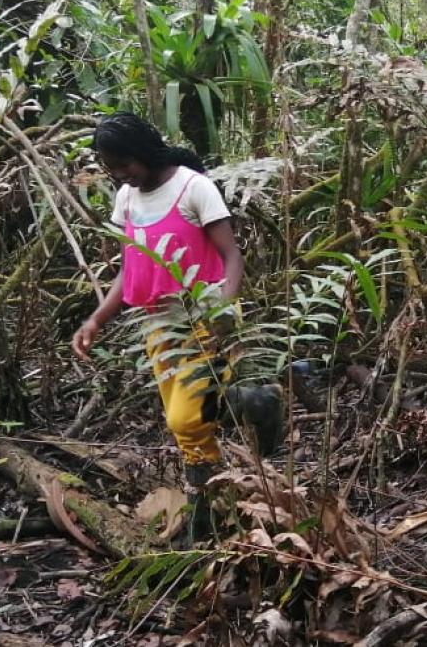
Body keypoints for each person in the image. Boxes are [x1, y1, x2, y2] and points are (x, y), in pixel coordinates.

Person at [70, 113, 283, 532]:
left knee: (184, 419)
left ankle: (253, 415)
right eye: (111, 168)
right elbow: (129, 269)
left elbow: (232, 256)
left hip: (203, 317)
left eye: (124, 164)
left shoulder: (193, 187)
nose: (120, 174)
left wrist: (224, 310)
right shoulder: (126, 199)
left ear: (143, 151)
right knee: (187, 426)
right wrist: (96, 319)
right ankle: (208, 512)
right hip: (158, 324)